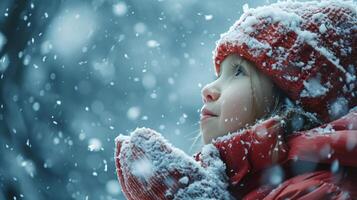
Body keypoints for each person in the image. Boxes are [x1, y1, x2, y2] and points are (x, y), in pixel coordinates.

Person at [115, 0, 357, 199]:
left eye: (238, 72)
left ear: (290, 99)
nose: (208, 89)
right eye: (219, 74)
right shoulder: (249, 183)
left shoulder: (322, 190)